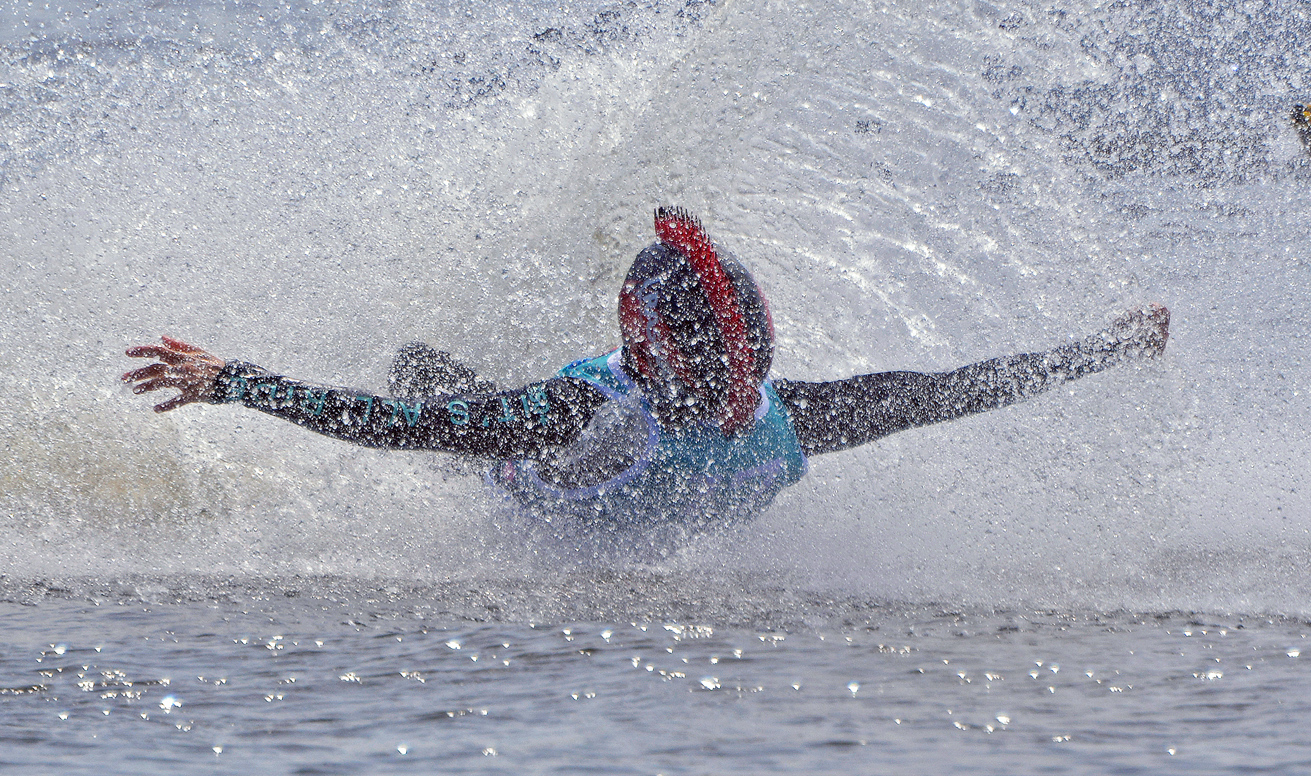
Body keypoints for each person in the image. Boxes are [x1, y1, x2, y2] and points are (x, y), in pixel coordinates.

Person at [124, 207, 1169, 534]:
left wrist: (1101, 350)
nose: (730, 394)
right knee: (432, 389)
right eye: (711, 366)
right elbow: (402, 428)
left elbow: (950, 391)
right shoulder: (580, 409)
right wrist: (235, 380)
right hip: (516, 466)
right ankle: (437, 351)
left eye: (741, 367)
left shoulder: (782, 417)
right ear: (654, 352)